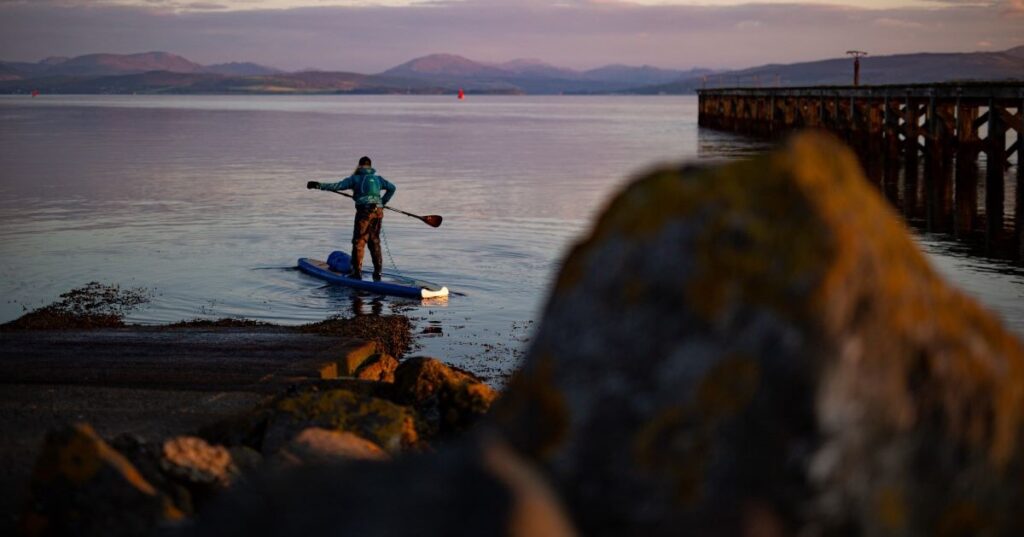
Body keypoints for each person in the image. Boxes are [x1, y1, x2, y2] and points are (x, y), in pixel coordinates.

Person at [307, 156, 396, 281]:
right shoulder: (378, 179)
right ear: (370, 167)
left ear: (359, 166)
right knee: (374, 241)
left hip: (364, 212)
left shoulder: (355, 178)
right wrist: (382, 203)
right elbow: (392, 188)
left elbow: (337, 186)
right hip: (377, 213)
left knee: (359, 242)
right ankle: (378, 273)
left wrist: (318, 185)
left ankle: (356, 274)